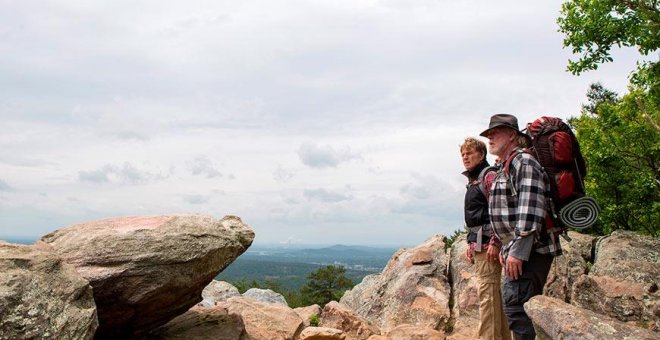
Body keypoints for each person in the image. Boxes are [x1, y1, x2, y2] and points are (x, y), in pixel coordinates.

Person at [480, 114, 562, 340]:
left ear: (513, 135)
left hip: (531, 250)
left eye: (495, 132)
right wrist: (503, 245)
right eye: (488, 134)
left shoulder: (523, 162)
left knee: (519, 311)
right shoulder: (506, 165)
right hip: (518, 249)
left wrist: (517, 251)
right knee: (517, 310)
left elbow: (530, 207)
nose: (490, 138)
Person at [459, 137, 511, 340]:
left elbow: (500, 209)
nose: (465, 157)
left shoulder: (487, 176)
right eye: (463, 154)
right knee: (493, 297)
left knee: (487, 296)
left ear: (481, 155)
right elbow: (478, 216)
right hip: (482, 244)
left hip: (490, 245)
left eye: (470, 153)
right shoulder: (476, 179)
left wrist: (496, 242)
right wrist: (471, 241)